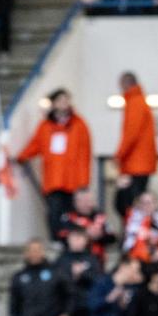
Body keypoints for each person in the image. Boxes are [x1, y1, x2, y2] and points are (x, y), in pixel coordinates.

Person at [17, 89, 92, 238]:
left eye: (66, 100)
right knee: (54, 211)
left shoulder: (79, 124)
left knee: (73, 213)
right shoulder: (45, 126)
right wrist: (22, 156)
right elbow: (35, 144)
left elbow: (85, 154)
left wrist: (84, 181)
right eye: (60, 100)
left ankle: (72, 241)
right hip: (53, 180)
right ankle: (56, 239)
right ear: (54, 103)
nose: (64, 103)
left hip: (73, 180)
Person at [113, 72, 158, 215]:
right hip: (140, 163)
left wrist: (119, 155)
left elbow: (131, 133)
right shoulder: (140, 101)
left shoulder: (135, 103)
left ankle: (136, 233)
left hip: (136, 164)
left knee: (130, 204)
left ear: (125, 84)